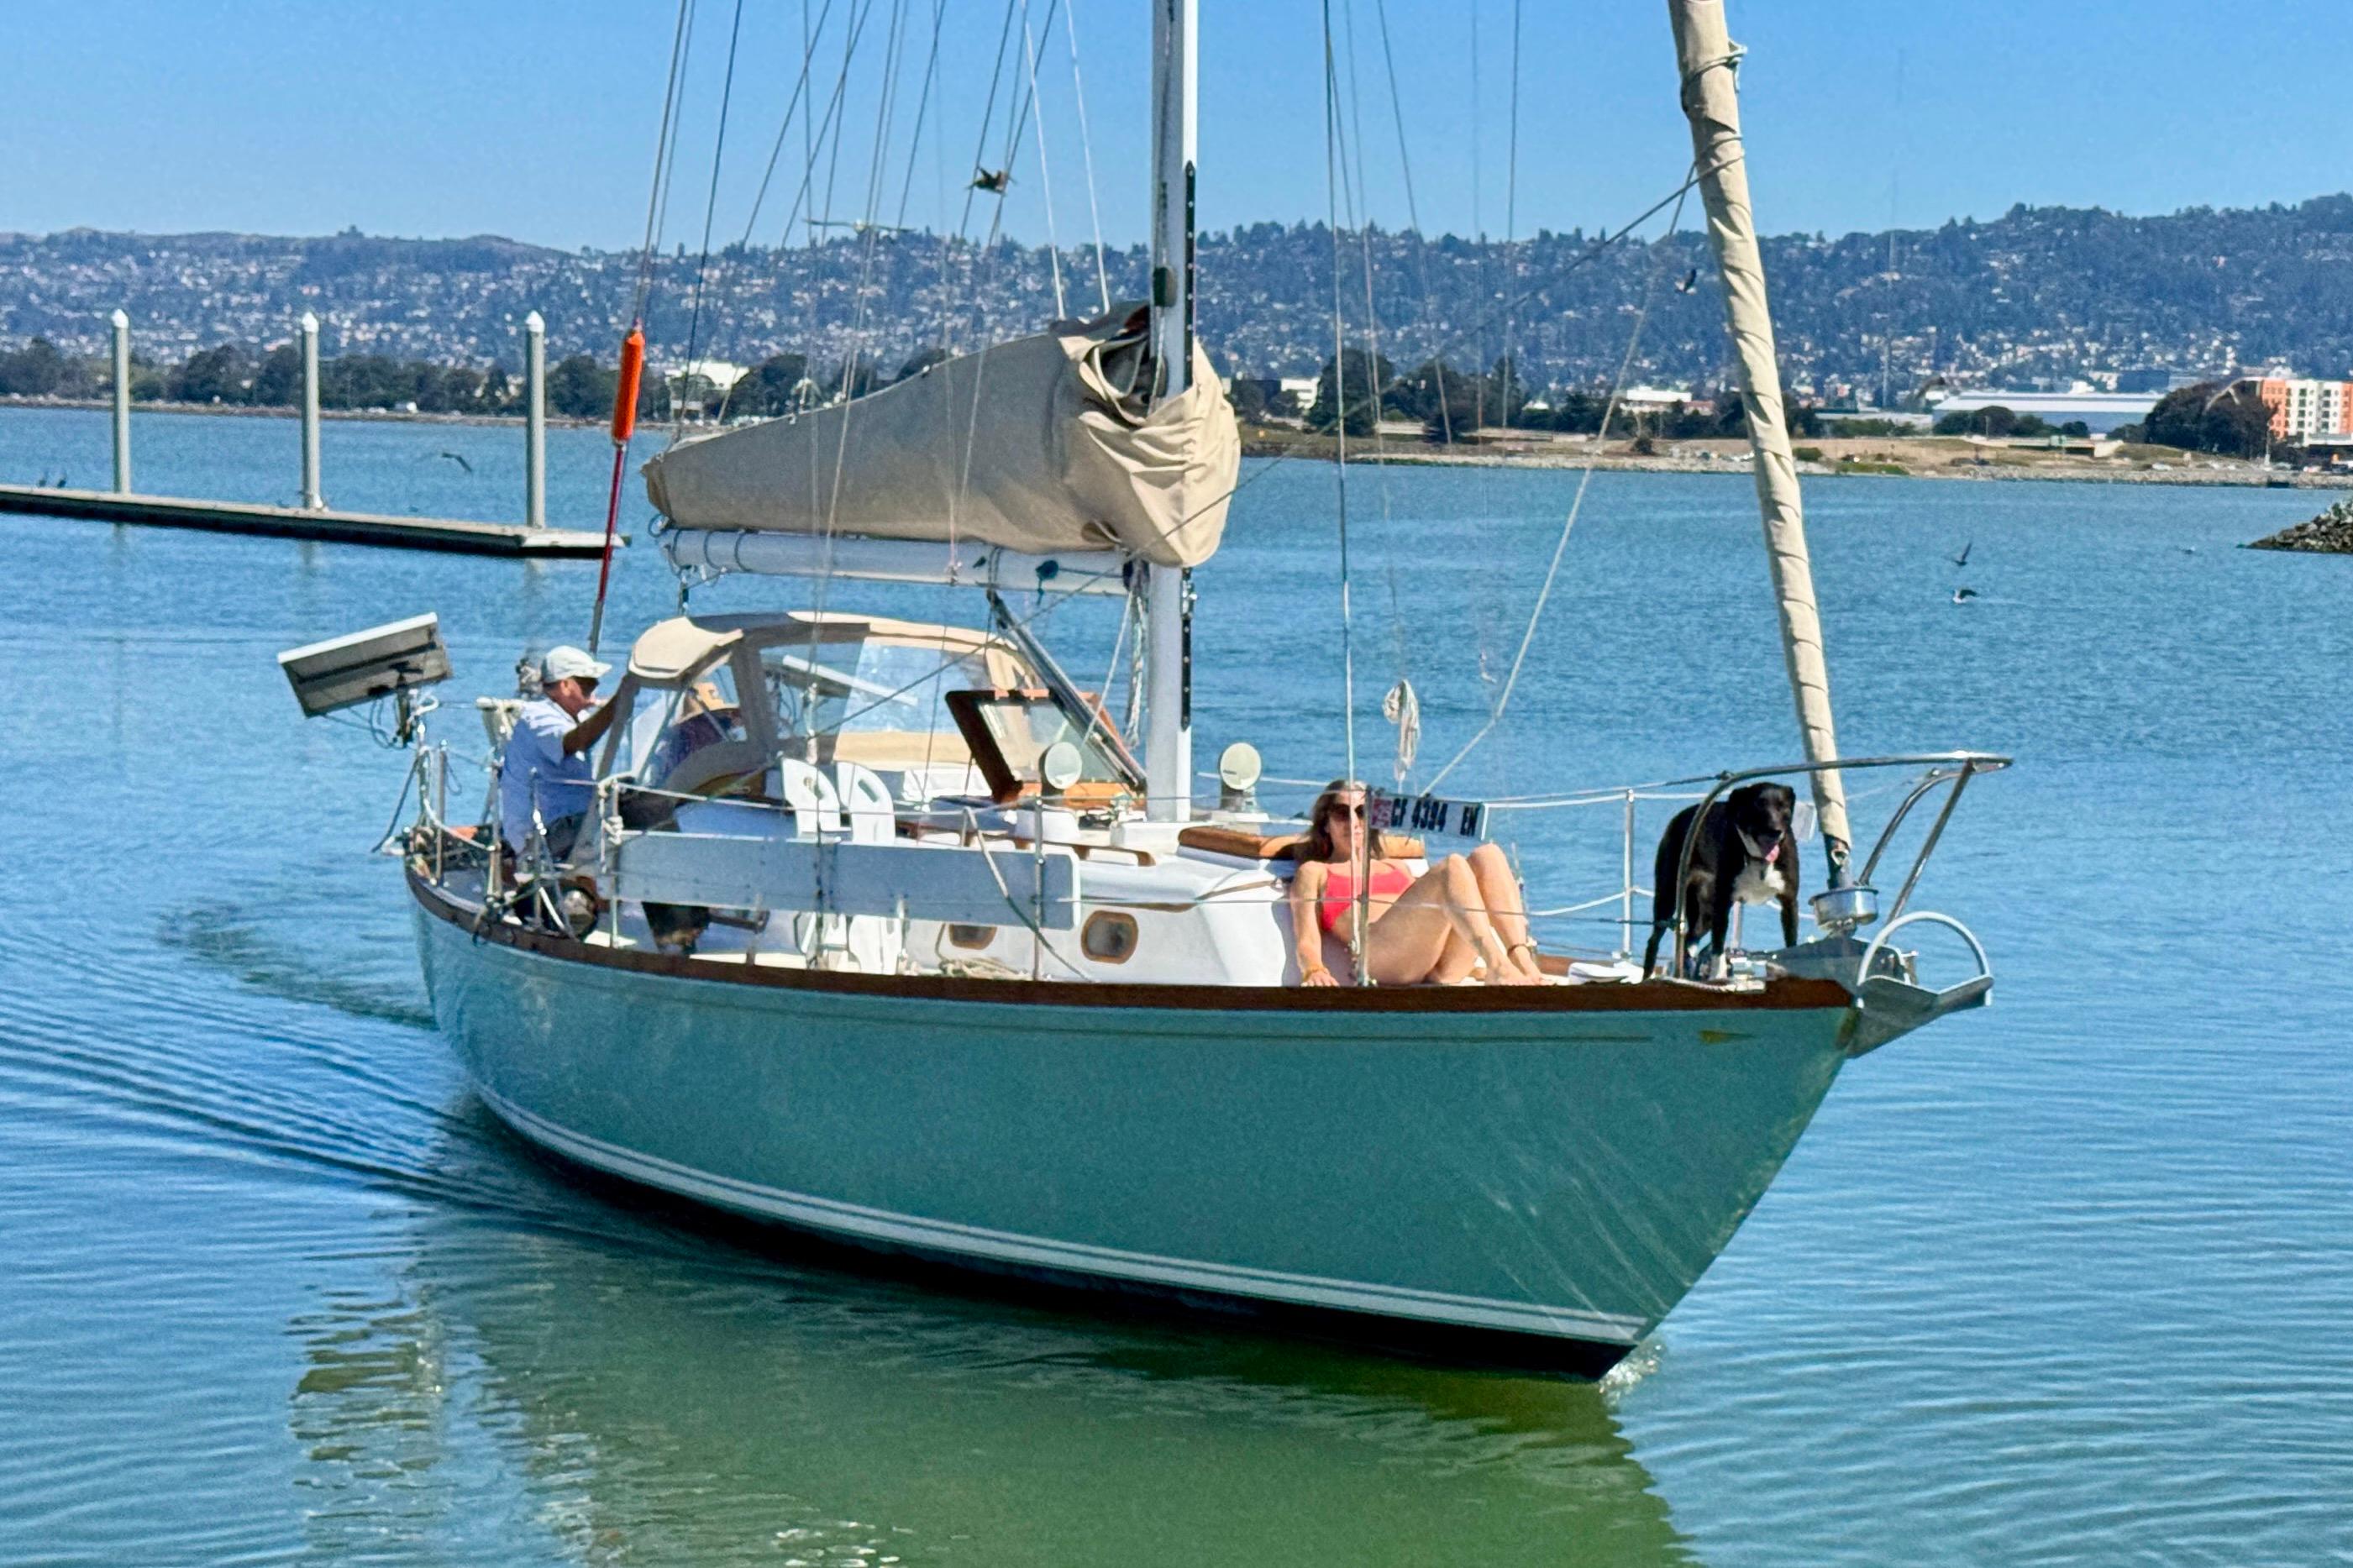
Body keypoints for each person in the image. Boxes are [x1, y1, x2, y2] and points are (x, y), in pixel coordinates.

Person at [1287, 779, 1544, 987]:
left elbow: (1435, 914)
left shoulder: (1396, 866)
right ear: (1326, 824)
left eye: (1363, 812)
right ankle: (1497, 966)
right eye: (1342, 813)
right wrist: (1313, 970)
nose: (1354, 822)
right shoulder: (1316, 872)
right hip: (1381, 957)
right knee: (1452, 865)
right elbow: (1306, 938)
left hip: (1436, 965)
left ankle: (1522, 961)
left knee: (1488, 855)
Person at [498, 645, 622, 861]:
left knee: (645, 810)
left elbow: (586, 732)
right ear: (565, 685)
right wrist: (619, 702)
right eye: (588, 683)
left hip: (572, 819)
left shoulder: (574, 717)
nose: (595, 688)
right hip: (544, 832)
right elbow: (578, 740)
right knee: (623, 825)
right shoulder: (538, 717)